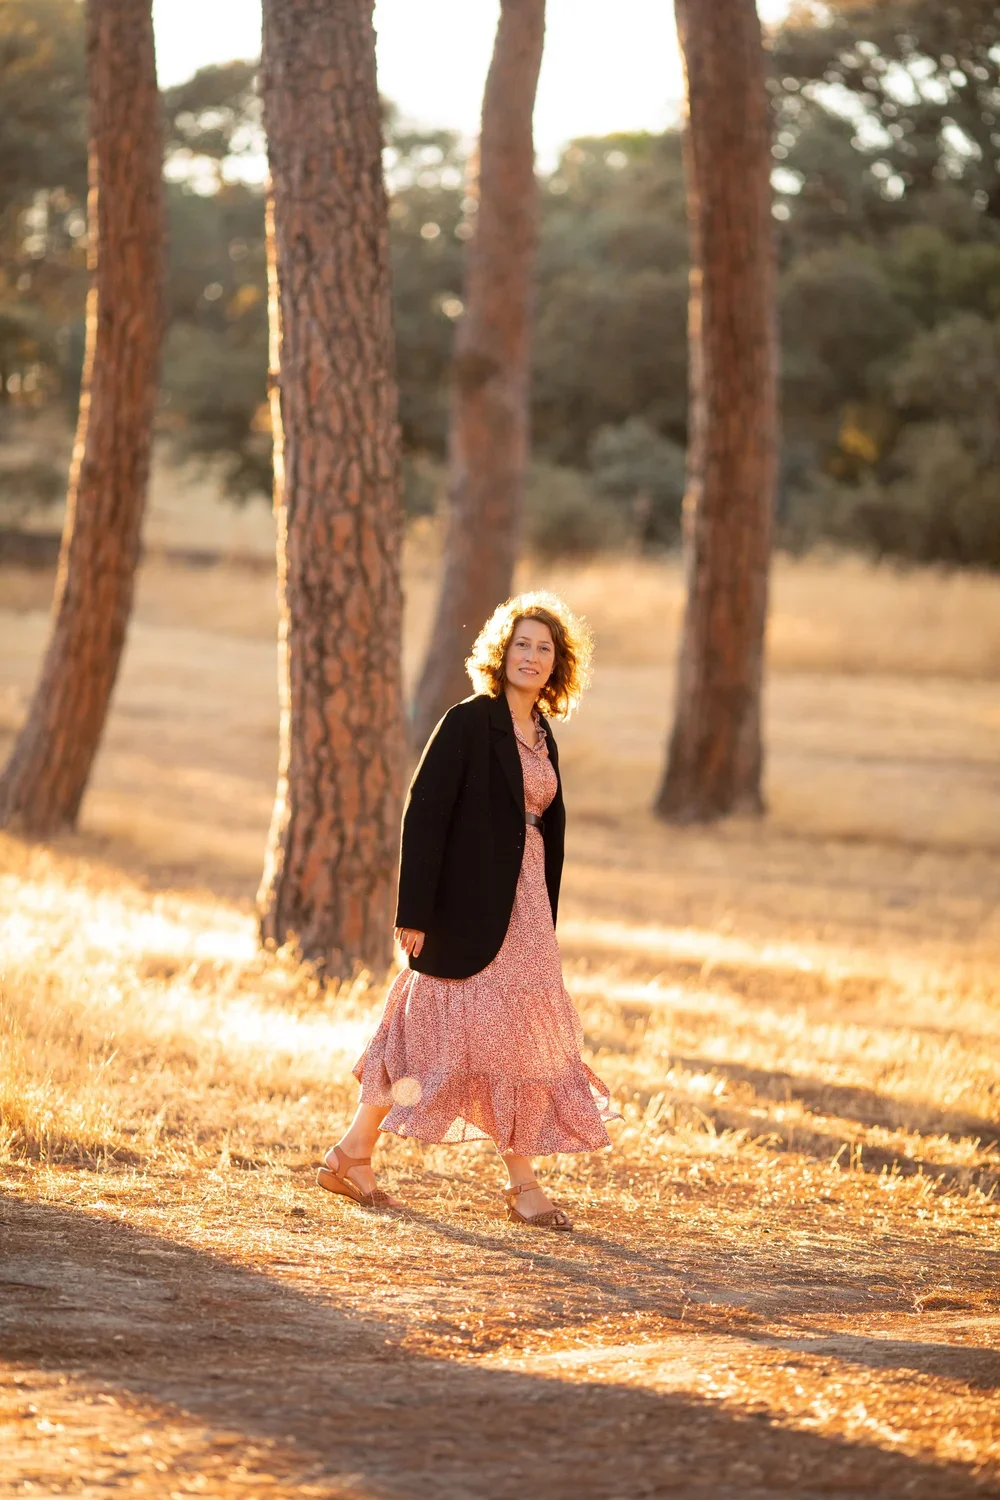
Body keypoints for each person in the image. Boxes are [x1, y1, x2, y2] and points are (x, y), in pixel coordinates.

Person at [318, 592, 619, 1231]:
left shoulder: (543, 734)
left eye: (545, 648)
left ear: (558, 665)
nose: (532, 657)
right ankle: (361, 1154)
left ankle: (365, 1156)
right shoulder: (467, 721)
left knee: (525, 1033)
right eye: (522, 644)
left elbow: (539, 826)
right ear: (500, 652)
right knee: (430, 1033)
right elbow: (423, 815)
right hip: (465, 905)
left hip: (528, 906)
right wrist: (415, 911)